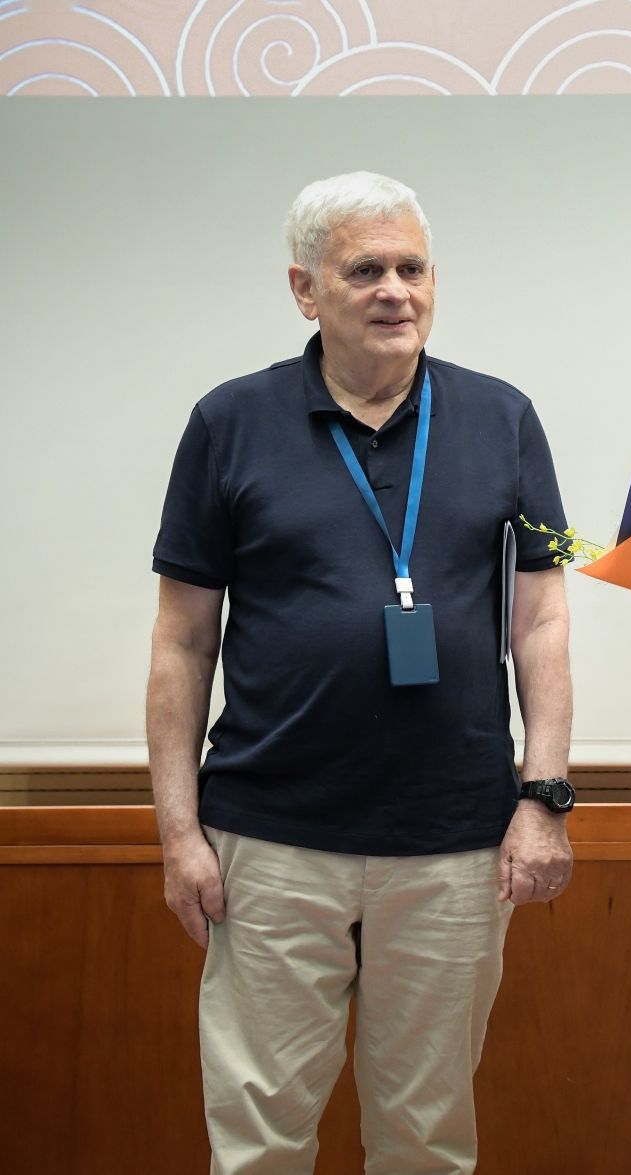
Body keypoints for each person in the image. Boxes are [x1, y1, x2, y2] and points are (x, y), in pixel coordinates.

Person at [146, 171, 576, 1174]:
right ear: (306, 288)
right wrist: (178, 830)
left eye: (412, 268)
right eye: (365, 270)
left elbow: (544, 615)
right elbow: (181, 640)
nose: (395, 290)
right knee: (259, 1136)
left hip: (454, 840)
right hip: (270, 836)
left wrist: (544, 795)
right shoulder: (229, 420)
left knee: (426, 1136)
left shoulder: (503, 417)